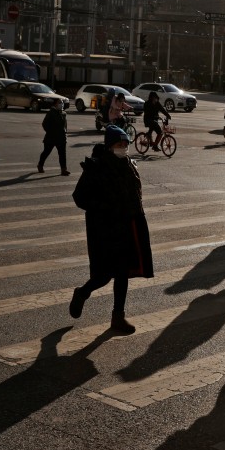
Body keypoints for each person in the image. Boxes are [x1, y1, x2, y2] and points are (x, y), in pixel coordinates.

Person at [69, 125, 154, 335]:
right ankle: (82, 293)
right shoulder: (96, 167)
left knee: (122, 273)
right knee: (104, 275)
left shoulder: (130, 164)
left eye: (126, 144)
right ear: (109, 147)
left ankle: (118, 316)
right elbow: (79, 197)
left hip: (127, 228)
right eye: (119, 144)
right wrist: (105, 208)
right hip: (106, 231)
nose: (123, 148)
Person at [38, 98, 69, 175]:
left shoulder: (63, 113)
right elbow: (44, 124)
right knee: (46, 152)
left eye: (62, 102)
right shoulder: (51, 112)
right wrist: (50, 131)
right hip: (51, 137)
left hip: (61, 137)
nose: (61, 104)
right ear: (55, 104)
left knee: (62, 154)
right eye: (59, 102)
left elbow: (64, 125)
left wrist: (65, 133)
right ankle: (40, 165)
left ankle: (63, 169)